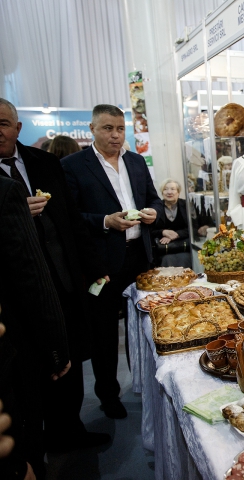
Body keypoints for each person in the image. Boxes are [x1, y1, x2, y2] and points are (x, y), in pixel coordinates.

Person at [0, 98, 110, 452]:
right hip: (15, 294)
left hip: (63, 282)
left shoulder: (44, 162)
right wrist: (15, 217)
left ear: (18, 129)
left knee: (72, 358)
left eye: (3, 123)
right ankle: (35, 444)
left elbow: (73, 222)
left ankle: (71, 430)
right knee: (27, 370)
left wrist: (95, 270)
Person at [61, 104, 162, 419]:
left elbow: (153, 198)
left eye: (120, 128)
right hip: (100, 264)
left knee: (143, 326)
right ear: (92, 128)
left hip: (139, 259)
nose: (115, 135)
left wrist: (154, 212)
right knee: (103, 331)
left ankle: (144, 384)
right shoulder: (73, 166)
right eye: (108, 128)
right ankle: (108, 396)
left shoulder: (135, 161)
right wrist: (105, 221)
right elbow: (70, 217)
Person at [0, 176, 71, 480]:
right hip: (13, 345)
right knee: (23, 438)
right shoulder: (5, 191)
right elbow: (33, 276)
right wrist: (56, 349)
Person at [151, 178, 192, 268]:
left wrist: (176, 234)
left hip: (184, 246)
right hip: (164, 249)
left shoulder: (187, 205)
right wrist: (163, 232)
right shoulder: (156, 208)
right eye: (165, 189)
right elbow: (150, 230)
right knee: (167, 260)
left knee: (185, 259)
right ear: (162, 192)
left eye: (173, 189)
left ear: (178, 192)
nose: (169, 192)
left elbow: (194, 228)